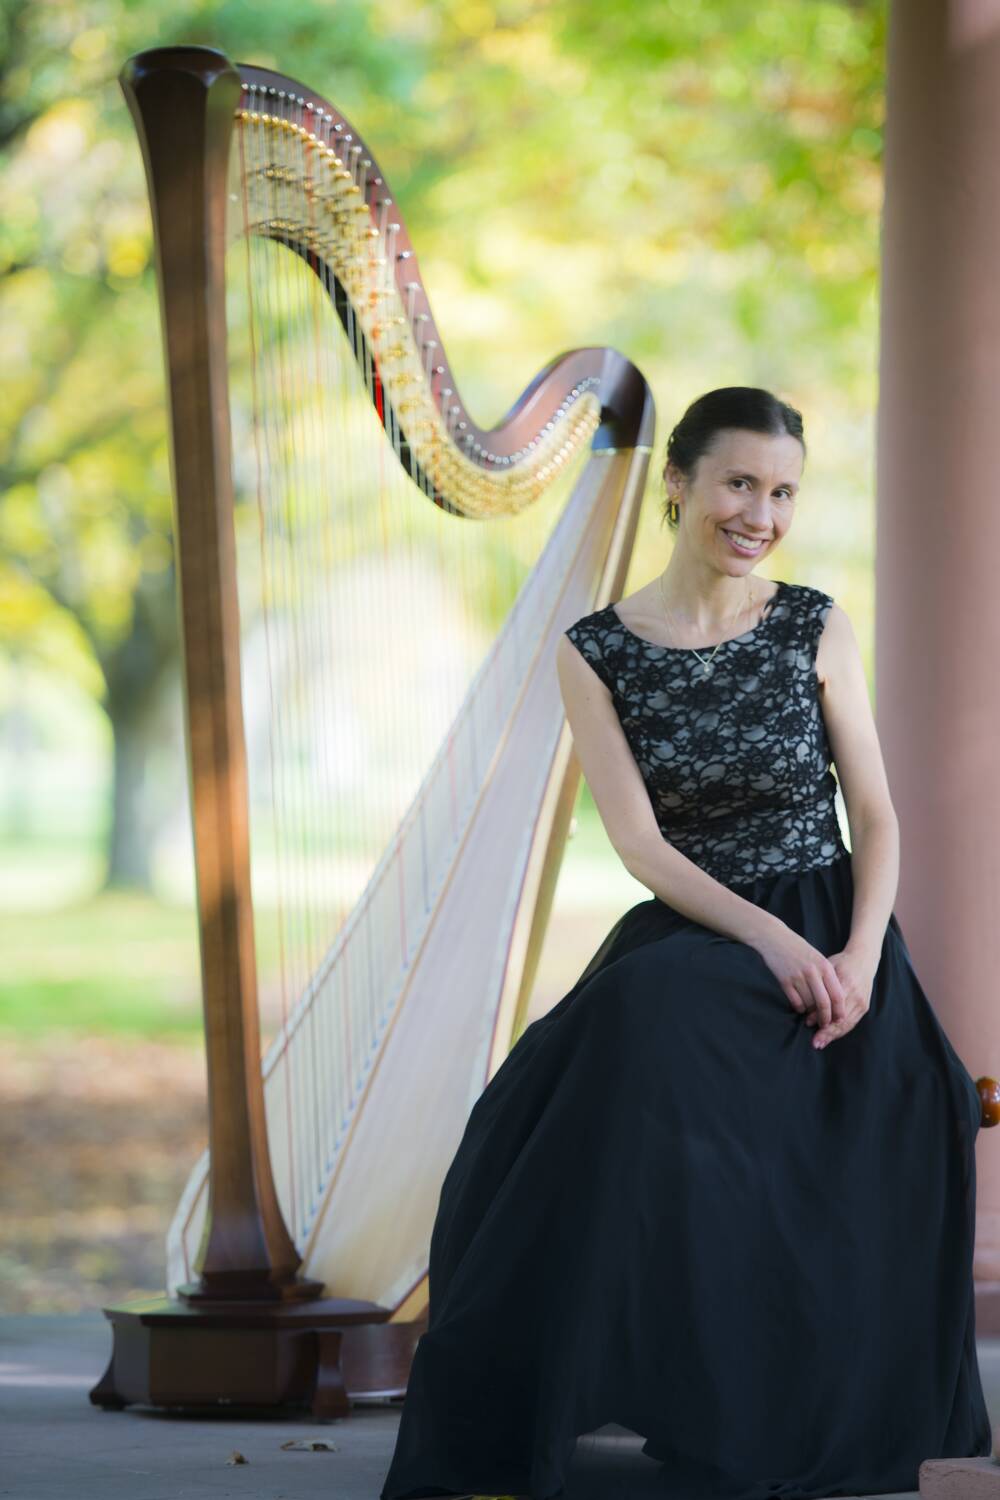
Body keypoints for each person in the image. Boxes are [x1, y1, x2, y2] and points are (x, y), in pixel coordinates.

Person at [378, 386, 992, 1500]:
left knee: (662, 1034)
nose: (761, 513)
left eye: (783, 491)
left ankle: (749, 1401)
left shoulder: (813, 623)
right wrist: (771, 945)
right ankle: (589, 1389)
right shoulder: (597, 650)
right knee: (606, 1046)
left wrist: (854, 958)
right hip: (702, 927)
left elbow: (877, 816)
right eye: (739, 483)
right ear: (678, 482)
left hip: (835, 926)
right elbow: (642, 846)